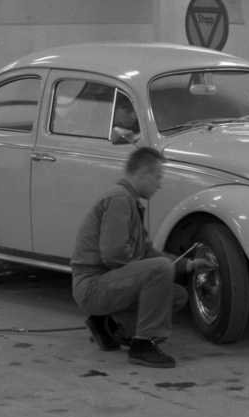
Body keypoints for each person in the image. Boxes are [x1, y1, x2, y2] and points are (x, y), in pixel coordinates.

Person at [70, 146, 214, 368]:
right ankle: (142, 346)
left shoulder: (130, 201)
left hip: (105, 283)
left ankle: (106, 324)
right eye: (158, 177)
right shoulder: (119, 199)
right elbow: (113, 254)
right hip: (92, 285)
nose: (159, 184)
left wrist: (189, 264)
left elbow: (147, 253)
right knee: (160, 269)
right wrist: (144, 273)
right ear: (144, 173)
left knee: (176, 295)